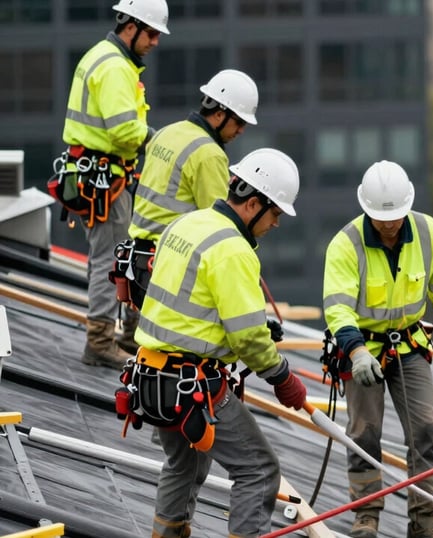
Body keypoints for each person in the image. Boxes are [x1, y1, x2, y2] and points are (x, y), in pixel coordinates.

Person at [133, 148, 307, 538]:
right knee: (260, 471)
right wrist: (281, 376)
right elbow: (246, 335)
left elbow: (190, 301)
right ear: (253, 204)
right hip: (191, 384)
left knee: (186, 466)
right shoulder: (234, 249)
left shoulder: (186, 224)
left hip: (152, 377)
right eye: (275, 213)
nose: (276, 224)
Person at [322, 160, 433, 538]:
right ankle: (366, 514)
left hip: (408, 343)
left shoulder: (426, 231)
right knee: (364, 432)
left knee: (427, 430)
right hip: (363, 347)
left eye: (395, 217)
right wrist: (355, 352)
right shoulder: (346, 244)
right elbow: (337, 307)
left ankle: (424, 522)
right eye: (381, 218)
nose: (389, 225)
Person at [59, 0, 169, 368]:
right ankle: (100, 342)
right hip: (105, 177)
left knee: (114, 256)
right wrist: (157, 140)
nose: (155, 41)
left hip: (101, 174)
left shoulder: (105, 58)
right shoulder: (114, 67)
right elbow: (123, 131)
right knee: (110, 259)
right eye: (151, 33)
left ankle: (121, 335)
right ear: (131, 27)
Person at [117, 69, 259, 316]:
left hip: (137, 263)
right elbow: (220, 227)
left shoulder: (167, 132)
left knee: (141, 346)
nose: (241, 131)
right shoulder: (209, 153)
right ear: (219, 114)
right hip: (168, 269)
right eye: (239, 122)